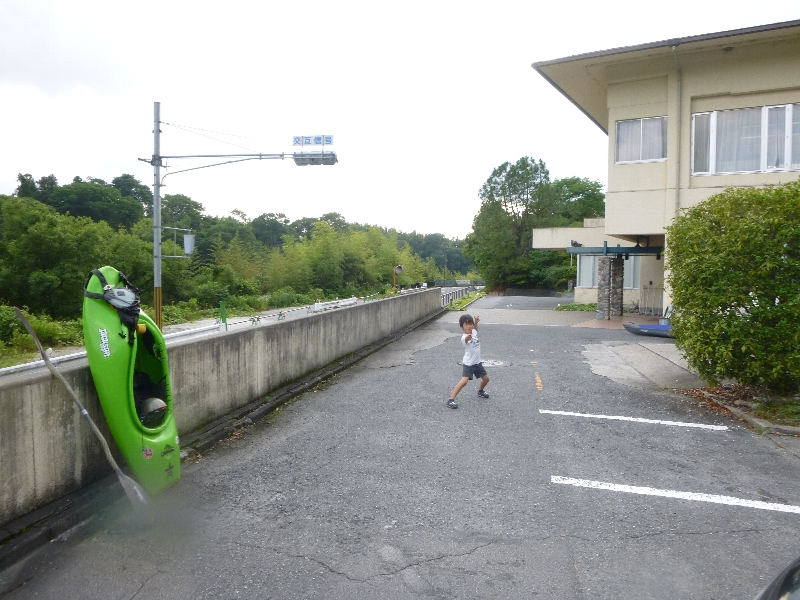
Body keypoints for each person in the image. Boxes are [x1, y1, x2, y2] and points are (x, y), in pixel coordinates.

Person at [446, 313, 489, 409]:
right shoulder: (464, 337)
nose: (469, 326)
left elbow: (475, 331)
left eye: (470, 324)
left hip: (477, 363)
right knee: (464, 381)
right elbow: (466, 340)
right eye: (466, 325)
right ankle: (451, 399)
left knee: (486, 379)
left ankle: (480, 391)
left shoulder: (473, 332)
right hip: (469, 364)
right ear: (462, 327)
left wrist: (476, 323)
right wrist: (468, 337)